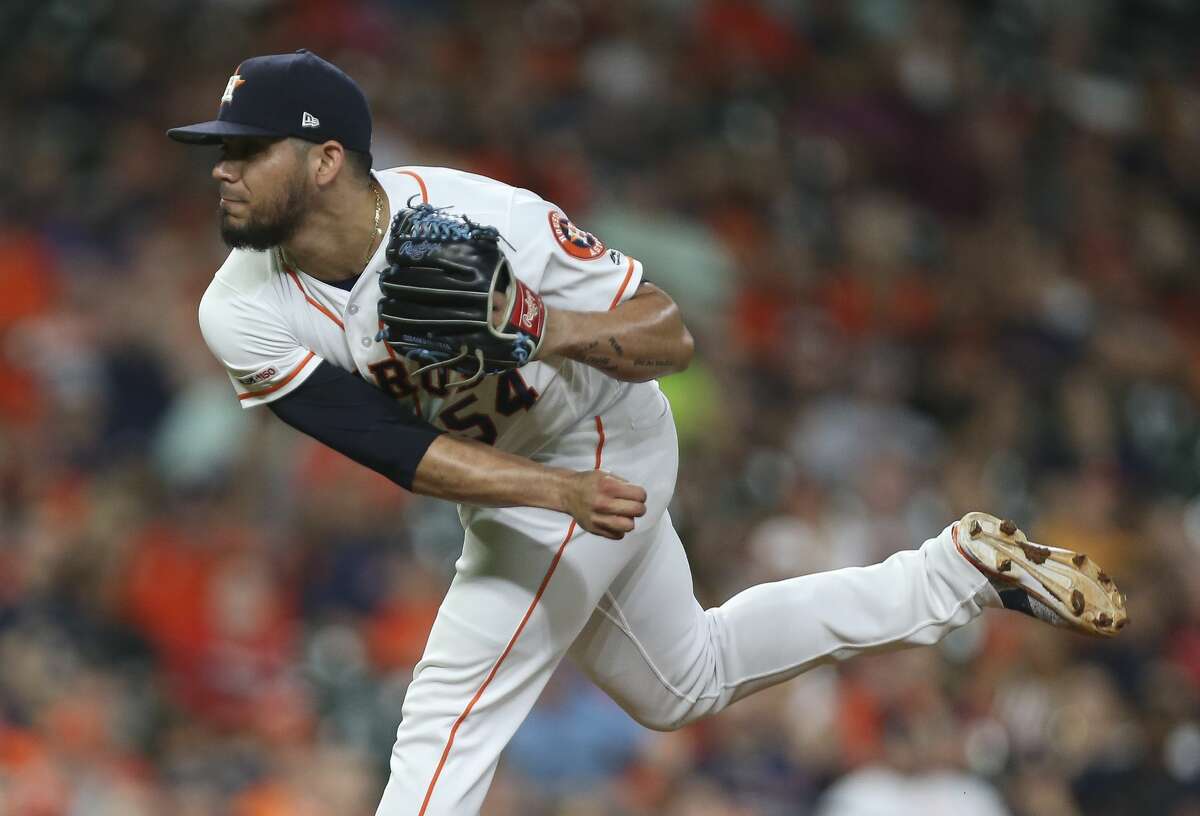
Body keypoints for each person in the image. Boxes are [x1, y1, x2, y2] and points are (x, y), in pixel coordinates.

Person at [168, 50, 1127, 816]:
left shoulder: (482, 220)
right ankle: (952, 574)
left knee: (446, 711)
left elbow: (669, 332)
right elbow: (393, 450)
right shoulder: (240, 309)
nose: (224, 168)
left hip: (598, 432)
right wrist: (553, 496)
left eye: (249, 150)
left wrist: (544, 326)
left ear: (326, 159)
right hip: (538, 477)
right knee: (685, 684)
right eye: (222, 147)